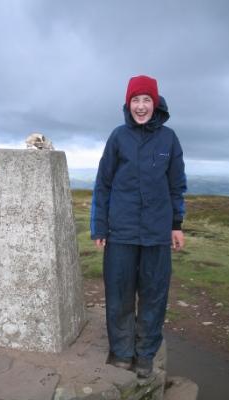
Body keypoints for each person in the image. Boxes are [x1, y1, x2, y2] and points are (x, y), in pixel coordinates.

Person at [90, 75, 187, 378]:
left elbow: (176, 186)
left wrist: (176, 225)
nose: (141, 106)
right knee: (119, 292)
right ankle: (121, 351)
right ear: (128, 103)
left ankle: (145, 353)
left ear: (155, 103)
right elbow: (103, 184)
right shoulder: (118, 137)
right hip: (121, 231)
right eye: (136, 100)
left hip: (158, 232)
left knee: (154, 293)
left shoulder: (169, 139)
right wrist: (100, 227)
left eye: (147, 100)